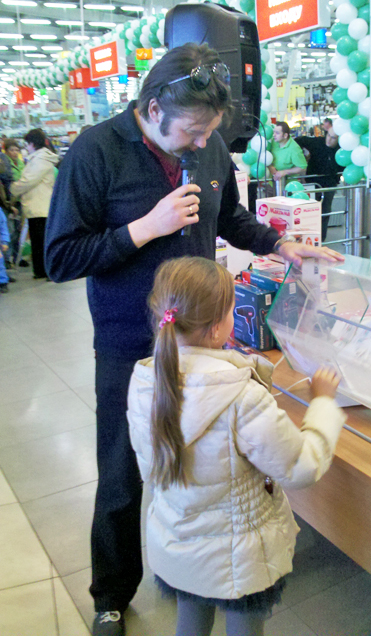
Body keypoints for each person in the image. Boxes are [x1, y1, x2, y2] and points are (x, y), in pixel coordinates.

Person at [44, 42, 344, 636]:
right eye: (194, 131)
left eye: (211, 132)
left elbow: (229, 216)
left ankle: (202, 567)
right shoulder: (95, 151)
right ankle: (111, 594)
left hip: (203, 343)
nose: (204, 142)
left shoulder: (207, 149)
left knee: (209, 467)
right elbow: (59, 256)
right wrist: (143, 229)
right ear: (153, 108)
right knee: (123, 471)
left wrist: (279, 244)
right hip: (130, 344)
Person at [127, 256, 346, 636]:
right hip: (237, 559)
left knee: (190, 623)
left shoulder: (146, 380)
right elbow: (301, 467)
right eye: (232, 309)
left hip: (177, 543)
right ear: (217, 329)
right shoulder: (241, 398)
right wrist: (324, 403)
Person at [10, 129, 59, 279]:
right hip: (37, 207)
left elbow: (28, 181)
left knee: (41, 242)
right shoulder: (39, 158)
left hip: (40, 207)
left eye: (27, 144)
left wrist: (12, 188)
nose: (26, 148)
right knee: (38, 242)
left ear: (33, 143)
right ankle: (40, 270)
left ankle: (46, 270)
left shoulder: (41, 160)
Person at [295, 130, 344, 241]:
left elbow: (342, 167)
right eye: (328, 135)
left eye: (333, 138)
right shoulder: (317, 142)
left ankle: (321, 238)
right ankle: (309, 237)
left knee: (325, 211)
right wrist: (301, 156)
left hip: (329, 184)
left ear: (338, 140)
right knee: (309, 211)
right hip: (312, 183)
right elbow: (298, 140)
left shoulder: (340, 150)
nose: (329, 139)